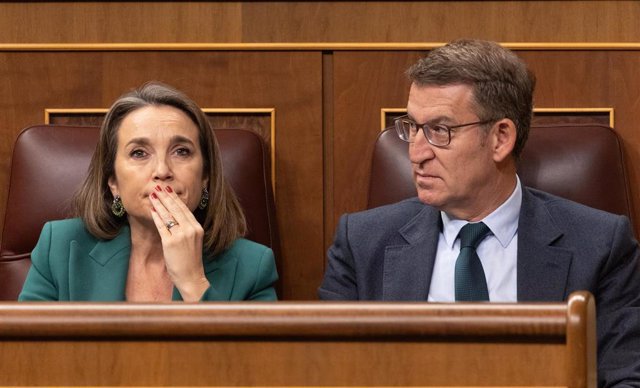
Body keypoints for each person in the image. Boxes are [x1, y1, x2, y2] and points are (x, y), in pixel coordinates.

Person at [319, 39, 640, 386]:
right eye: (412, 127)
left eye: (439, 130)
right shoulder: (362, 243)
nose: (416, 152)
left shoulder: (599, 246)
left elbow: (624, 379)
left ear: (501, 138)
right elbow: (327, 376)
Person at [19, 82, 278, 302]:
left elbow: (251, 362)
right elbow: (25, 357)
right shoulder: (60, 248)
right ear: (113, 182)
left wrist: (193, 282)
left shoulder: (253, 267)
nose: (162, 170)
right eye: (139, 153)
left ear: (205, 178)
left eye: (182, 151)